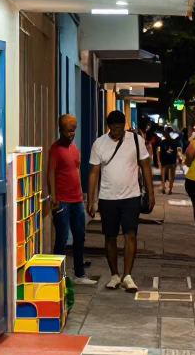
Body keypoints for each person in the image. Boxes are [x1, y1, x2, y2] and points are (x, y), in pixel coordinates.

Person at [88, 109, 155, 291]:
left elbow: (146, 167)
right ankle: (114, 275)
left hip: (131, 196)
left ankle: (127, 275)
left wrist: (151, 193)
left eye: (119, 128)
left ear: (124, 126)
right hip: (107, 197)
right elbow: (93, 172)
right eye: (113, 128)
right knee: (110, 237)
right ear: (108, 127)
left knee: (130, 234)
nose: (116, 131)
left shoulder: (135, 140)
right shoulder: (99, 144)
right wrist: (90, 199)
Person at [48, 114, 96, 285]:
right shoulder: (55, 149)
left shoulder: (75, 149)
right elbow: (51, 173)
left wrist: (82, 197)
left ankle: (80, 274)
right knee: (61, 238)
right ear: (60, 130)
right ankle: (57, 277)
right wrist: (53, 196)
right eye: (69, 131)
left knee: (80, 236)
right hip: (62, 201)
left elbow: (75, 172)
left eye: (74, 130)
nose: (72, 134)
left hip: (77, 200)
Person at [157, 125, 180, 194]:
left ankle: (163, 187)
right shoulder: (174, 141)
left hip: (165, 160)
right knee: (172, 175)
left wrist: (160, 161)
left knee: (163, 175)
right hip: (172, 160)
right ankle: (170, 189)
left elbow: (161, 151)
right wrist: (176, 160)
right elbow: (175, 151)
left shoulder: (163, 141)